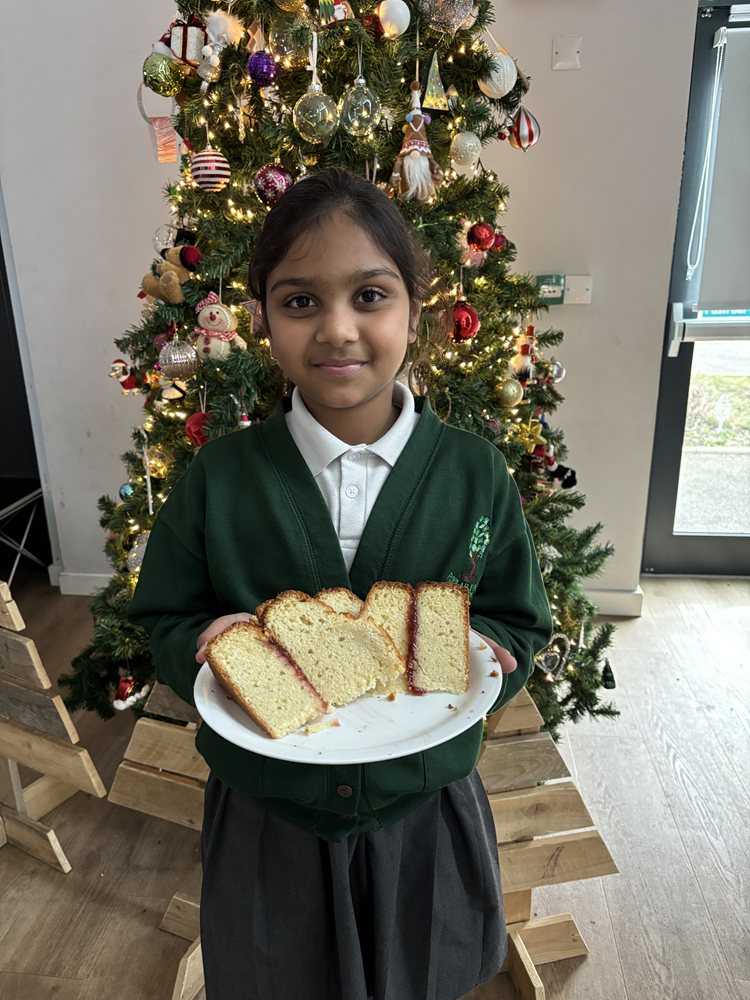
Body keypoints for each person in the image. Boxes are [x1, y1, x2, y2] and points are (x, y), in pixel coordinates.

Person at [128, 167, 553, 1000]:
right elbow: (166, 617)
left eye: (369, 296)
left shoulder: (474, 474)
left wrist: (498, 653)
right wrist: (200, 646)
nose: (337, 330)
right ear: (260, 319)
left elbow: (515, 616)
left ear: (415, 312)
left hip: (424, 808)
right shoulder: (218, 479)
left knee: (422, 976)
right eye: (299, 302)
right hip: (268, 814)